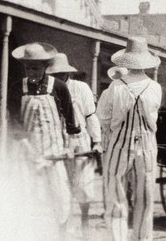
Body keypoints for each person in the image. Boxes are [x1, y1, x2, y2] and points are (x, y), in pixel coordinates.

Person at [10, 42, 81, 238]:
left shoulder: (58, 87)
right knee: (29, 194)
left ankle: (61, 234)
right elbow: (14, 122)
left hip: (54, 153)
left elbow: (70, 120)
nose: (31, 71)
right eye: (28, 67)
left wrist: (71, 146)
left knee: (60, 195)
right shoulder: (17, 88)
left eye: (36, 67)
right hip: (27, 152)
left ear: (45, 66)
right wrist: (28, 150)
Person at [97, 36, 162, 241]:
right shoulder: (155, 87)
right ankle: (143, 237)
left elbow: (104, 117)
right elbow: (154, 115)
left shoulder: (114, 87)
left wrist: (113, 132)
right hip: (147, 145)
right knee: (145, 196)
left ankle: (117, 237)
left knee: (115, 192)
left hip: (119, 144)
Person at [46, 53, 103, 233]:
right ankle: (65, 224)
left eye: (59, 74)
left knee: (83, 185)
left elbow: (90, 115)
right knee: (62, 186)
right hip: (58, 142)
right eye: (53, 75)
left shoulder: (81, 88)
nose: (56, 78)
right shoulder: (48, 89)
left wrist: (97, 141)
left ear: (66, 73)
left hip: (80, 141)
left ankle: (85, 221)